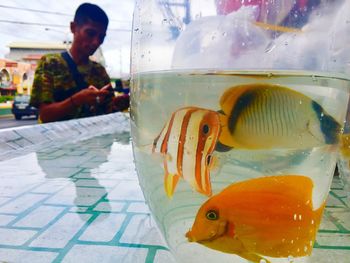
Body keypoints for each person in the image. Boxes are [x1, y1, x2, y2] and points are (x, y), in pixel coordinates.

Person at [30, 3, 129, 123]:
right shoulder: (50, 63)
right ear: (73, 27)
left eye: (101, 37)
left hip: (92, 140)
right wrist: (77, 100)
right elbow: (45, 115)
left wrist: (118, 105)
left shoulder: (99, 71)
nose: (96, 42)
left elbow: (107, 113)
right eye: (90, 33)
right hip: (59, 140)